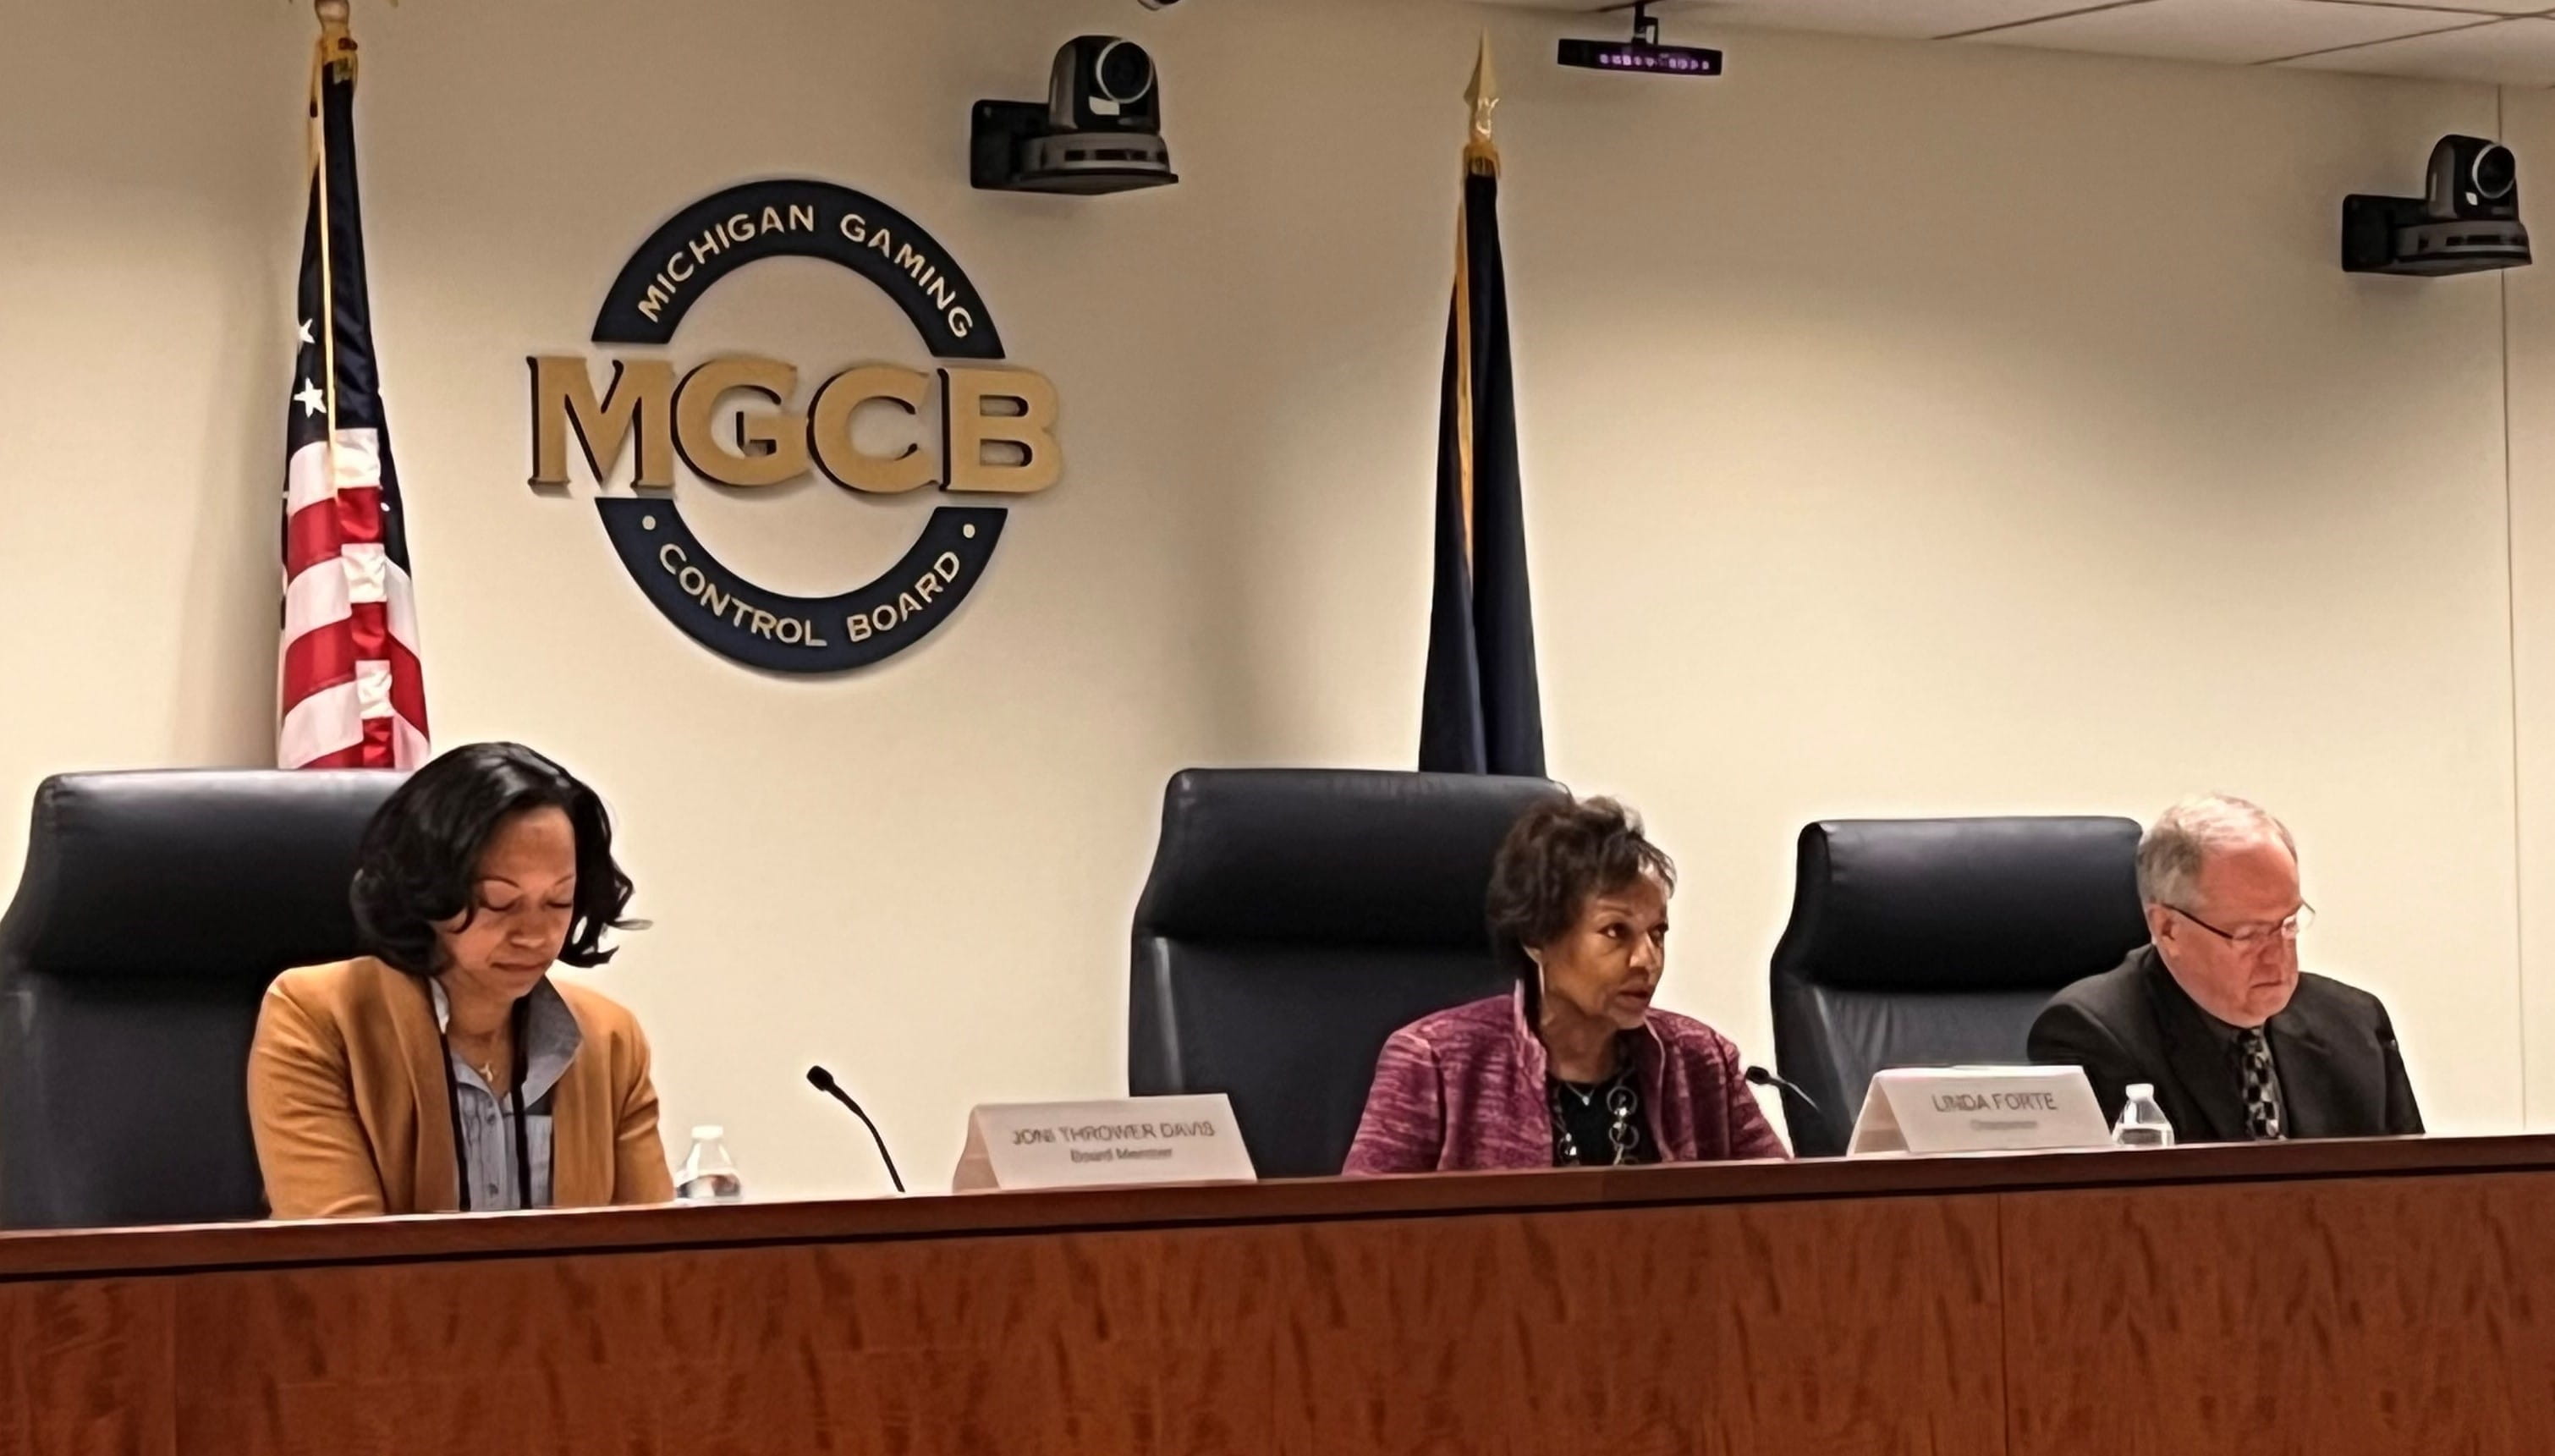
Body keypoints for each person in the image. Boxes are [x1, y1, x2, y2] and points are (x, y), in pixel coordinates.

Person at [247, 742, 674, 1217]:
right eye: (499, 901)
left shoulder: (611, 1041)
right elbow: (347, 1265)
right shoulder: (319, 1018)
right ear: (429, 892)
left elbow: (654, 1263)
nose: (534, 935)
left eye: (559, 902)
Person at [1344, 794, 1788, 1173]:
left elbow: (1790, 1216)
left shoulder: (1701, 1061)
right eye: (1616, 932)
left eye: (1657, 933)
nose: (1647, 960)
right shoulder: (1435, 1066)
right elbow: (1359, 1245)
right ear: (1538, 938)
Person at [2029, 794, 2421, 1141]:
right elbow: (2107, 1213)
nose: (2277, 954)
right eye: (2249, 934)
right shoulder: (2093, 1033)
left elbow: (2419, 1197)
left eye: (2287, 924)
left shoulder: (2354, 1023)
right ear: (2168, 929)